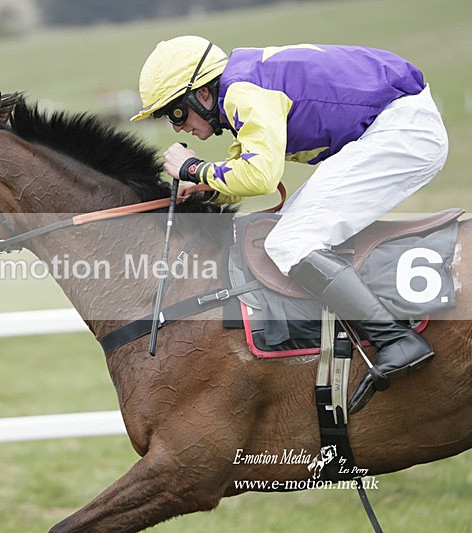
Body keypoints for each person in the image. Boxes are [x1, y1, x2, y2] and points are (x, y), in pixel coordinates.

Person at [131, 36, 448, 413]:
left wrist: (193, 167)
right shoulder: (242, 86)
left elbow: (261, 178)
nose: (177, 128)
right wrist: (203, 190)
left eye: (176, 114)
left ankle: (395, 340)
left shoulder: (242, 93)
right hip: (389, 126)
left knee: (290, 242)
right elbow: (242, 173)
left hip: (401, 131)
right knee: (282, 235)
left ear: (200, 94)